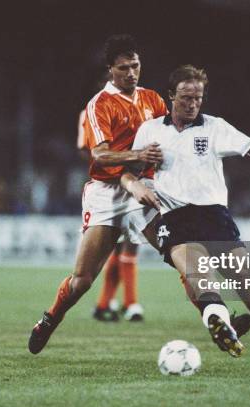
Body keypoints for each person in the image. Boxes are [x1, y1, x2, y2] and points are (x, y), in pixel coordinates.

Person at [121, 65, 250, 371]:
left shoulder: (215, 127)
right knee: (200, 280)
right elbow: (127, 172)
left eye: (198, 98)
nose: (192, 103)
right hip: (176, 220)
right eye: (186, 97)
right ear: (171, 96)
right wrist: (134, 184)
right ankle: (220, 323)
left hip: (216, 219)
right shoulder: (150, 131)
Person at [27, 34, 169, 353]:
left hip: (141, 190)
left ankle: (218, 317)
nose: (132, 72)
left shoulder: (154, 101)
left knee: (175, 249)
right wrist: (137, 158)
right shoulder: (97, 105)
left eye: (136, 65)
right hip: (106, 193)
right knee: (82, 280)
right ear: (110, 70)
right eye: (124, 68)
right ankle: (50, 319)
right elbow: (98, 155)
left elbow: (169, 142)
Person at [77, 73, 145, 322]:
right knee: (127, 246)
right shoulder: (97, 110)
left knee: (117, 248)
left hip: (110, 180)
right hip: (113, 183)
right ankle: (129, 304)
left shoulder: (87, 113)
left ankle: (107, 303)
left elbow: (82, 148)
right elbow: (92, 151)